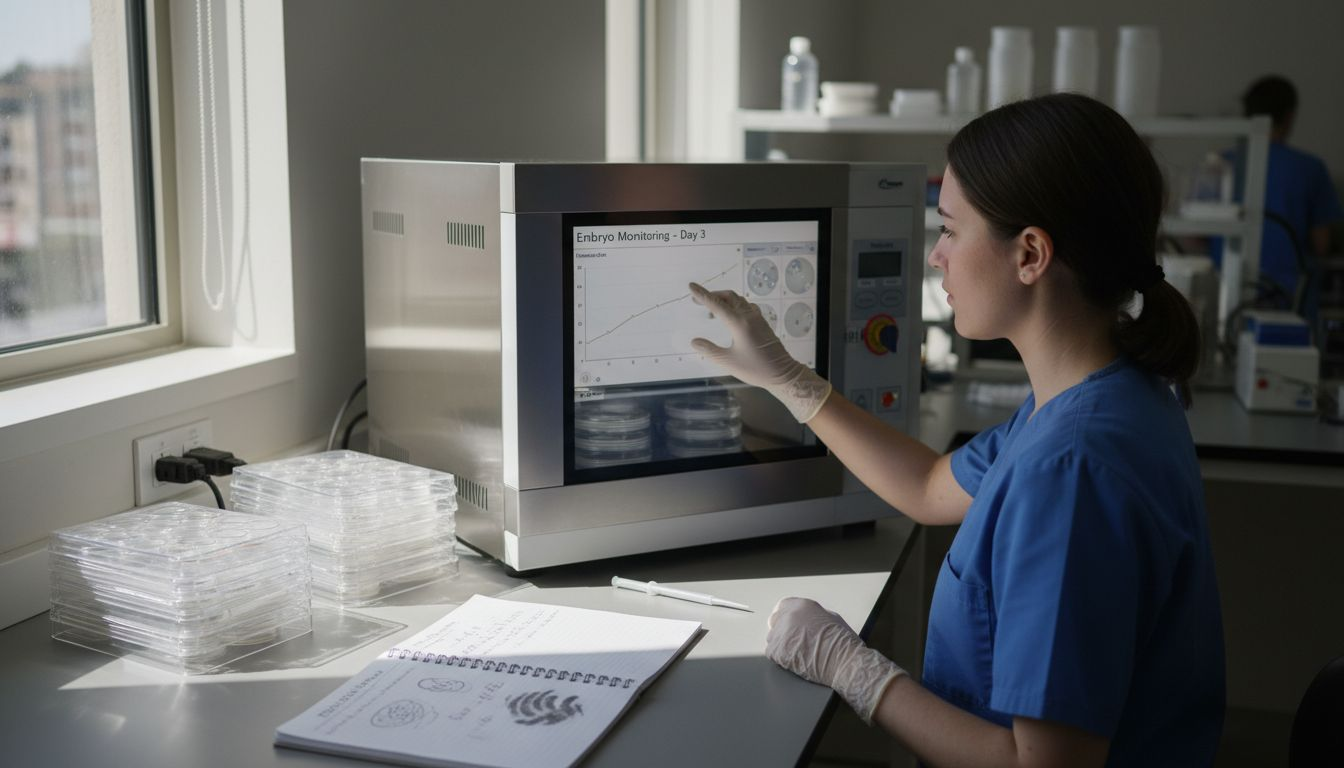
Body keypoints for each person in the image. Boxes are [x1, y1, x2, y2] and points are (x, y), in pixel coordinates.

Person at [688, 93, 1225, 767]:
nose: (936, 256)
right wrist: (791, 381)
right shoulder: (1104, 394)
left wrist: (855, 671)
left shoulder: (1074, 469)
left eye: (949, 228)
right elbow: (929, 485)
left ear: (1030, 254)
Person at [1236, 75, 1342, 311]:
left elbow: (1194, 238)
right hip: (1290, 300)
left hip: (1231, 295)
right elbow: (1322, 243)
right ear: (1289, 116)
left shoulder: (1223, 166)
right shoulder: (1310, 169)